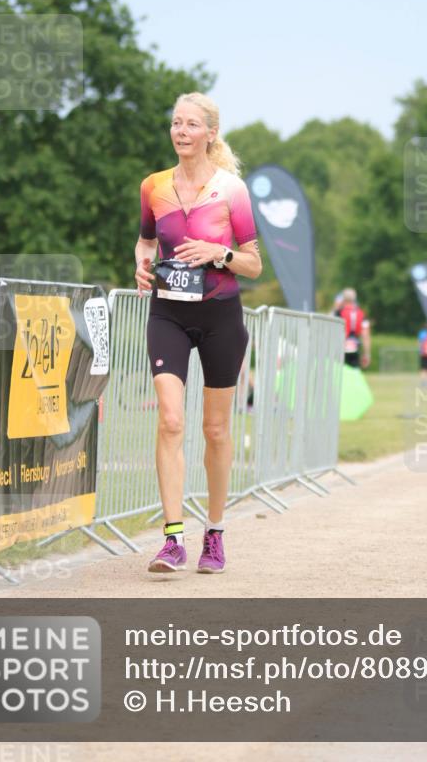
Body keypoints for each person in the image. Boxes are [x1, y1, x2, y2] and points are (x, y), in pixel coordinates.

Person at [134, 92, 262, 575]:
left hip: (219, 317)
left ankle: (214, 533)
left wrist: (218, 252)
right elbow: (146, 242)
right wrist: (141, 267)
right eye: (175, 123)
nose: (181, 132)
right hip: (166, 311)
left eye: (191, 125)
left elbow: (252, 262)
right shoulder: (153, 187)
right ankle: (171, 539)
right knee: (169, 420)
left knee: (214, 429)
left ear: (210, 133)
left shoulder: (232, 190)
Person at [334, 288, 371, 369]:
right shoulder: (361, 313)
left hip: (341, 345)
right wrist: (367, 354)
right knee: (354, 371)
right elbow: (365, 335)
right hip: (355, 344)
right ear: (354, 299)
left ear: (343, 298)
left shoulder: (338, 313)